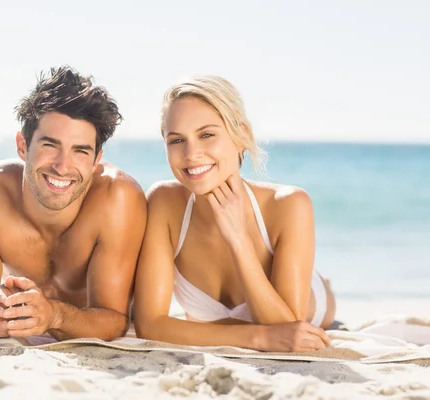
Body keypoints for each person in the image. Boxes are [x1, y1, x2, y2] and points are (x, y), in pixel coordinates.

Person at [133, 75, 337, 352]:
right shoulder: (163, 202)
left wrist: (238, 239)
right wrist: (258, 338)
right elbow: (151, 325)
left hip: (314, 299)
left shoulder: (289, 203)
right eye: (177, 140)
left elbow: (289, 328)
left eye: (206, 134)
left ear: (242, 136)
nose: (191, 153)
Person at [0, 65, 147, 341]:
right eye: (50, 145)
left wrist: (54, 315)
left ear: (96, 159)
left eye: (80, 151)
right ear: (22, 146)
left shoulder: (117, 198)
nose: (62, 166)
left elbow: (115, 320)